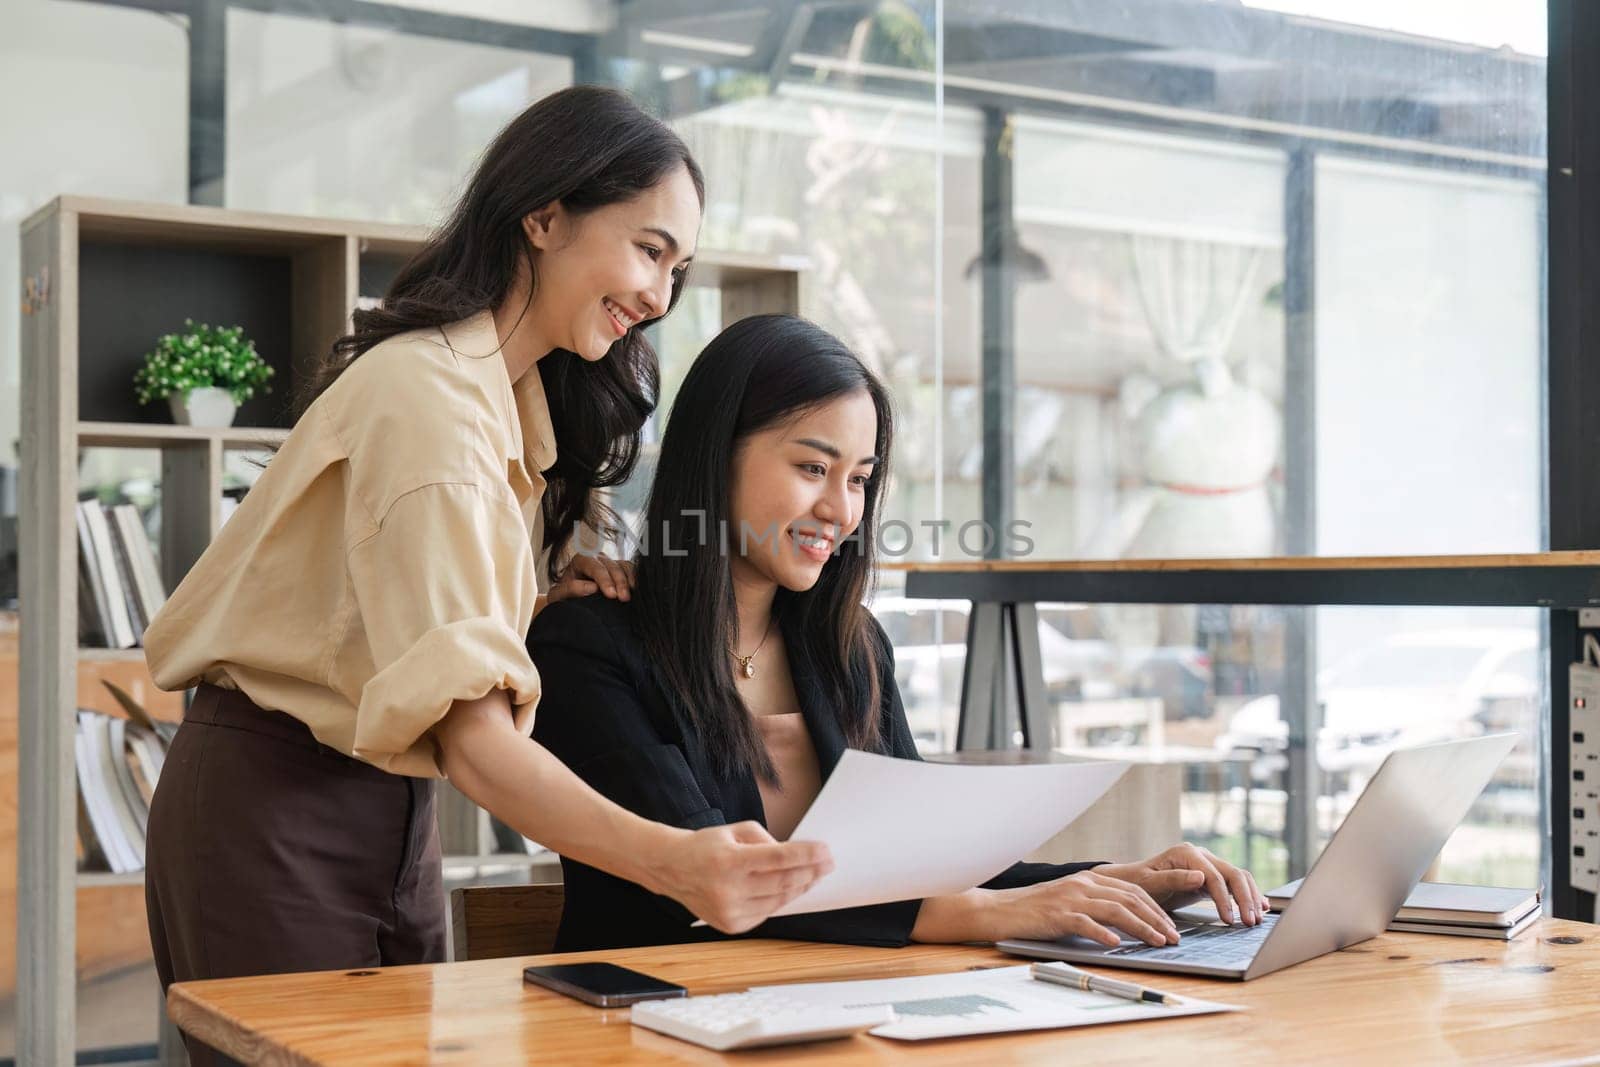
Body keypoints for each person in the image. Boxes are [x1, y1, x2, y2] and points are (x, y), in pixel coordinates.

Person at [141, 88, 831, 1048]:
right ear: (543, 216)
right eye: (648, 248)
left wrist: (535, 597)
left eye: (678, 266)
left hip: (390, 808)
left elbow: (393, 624)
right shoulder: (431, 400)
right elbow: (474, 743)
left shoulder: (515, 414)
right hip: (277, 802)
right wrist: (678, 861)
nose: (661, 296)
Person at [529, 314, 1269, 952]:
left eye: (858, 479)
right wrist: (992, 911)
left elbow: (927, 876)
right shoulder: (589, 647)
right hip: (647, 1027)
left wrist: (1119, 879)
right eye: (813, 467)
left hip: (844, 1018)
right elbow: (705, 890)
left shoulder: (850, 652)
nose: (839, 510)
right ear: (714, 454)